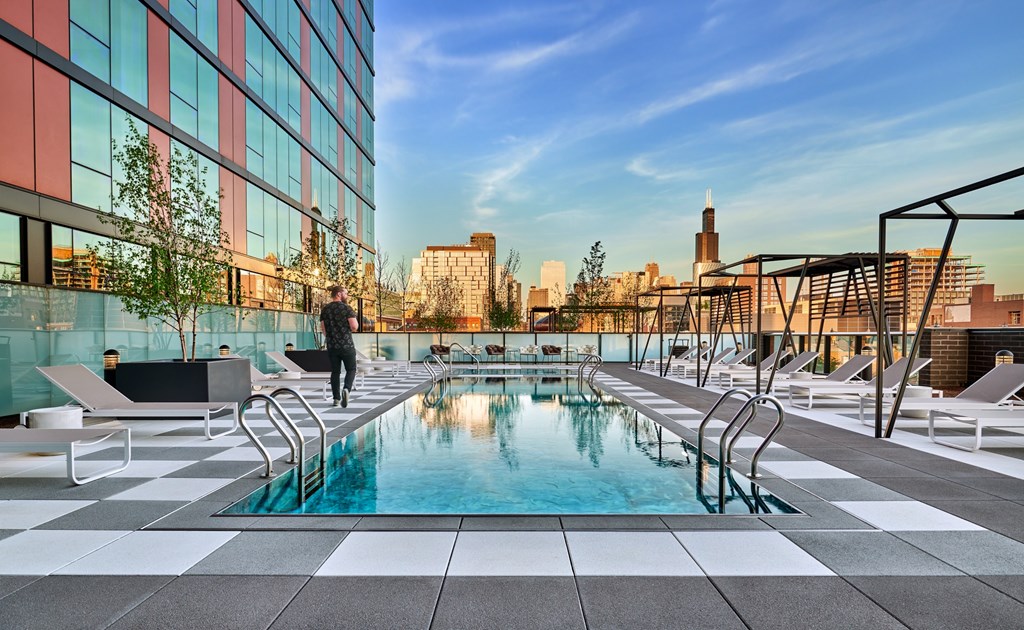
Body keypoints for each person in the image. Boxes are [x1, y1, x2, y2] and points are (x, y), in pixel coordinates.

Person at [320, 285, 359, 407]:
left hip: (332, 346)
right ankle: (346, 389)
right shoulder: (347, 308)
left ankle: (336, 399)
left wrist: (332, 336)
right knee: (351, 369)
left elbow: (324, 330)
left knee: (335, 372)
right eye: (345, 293)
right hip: (347, 345)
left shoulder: (325, 309)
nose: (346, 296)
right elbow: (354, 326)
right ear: (339, 294)